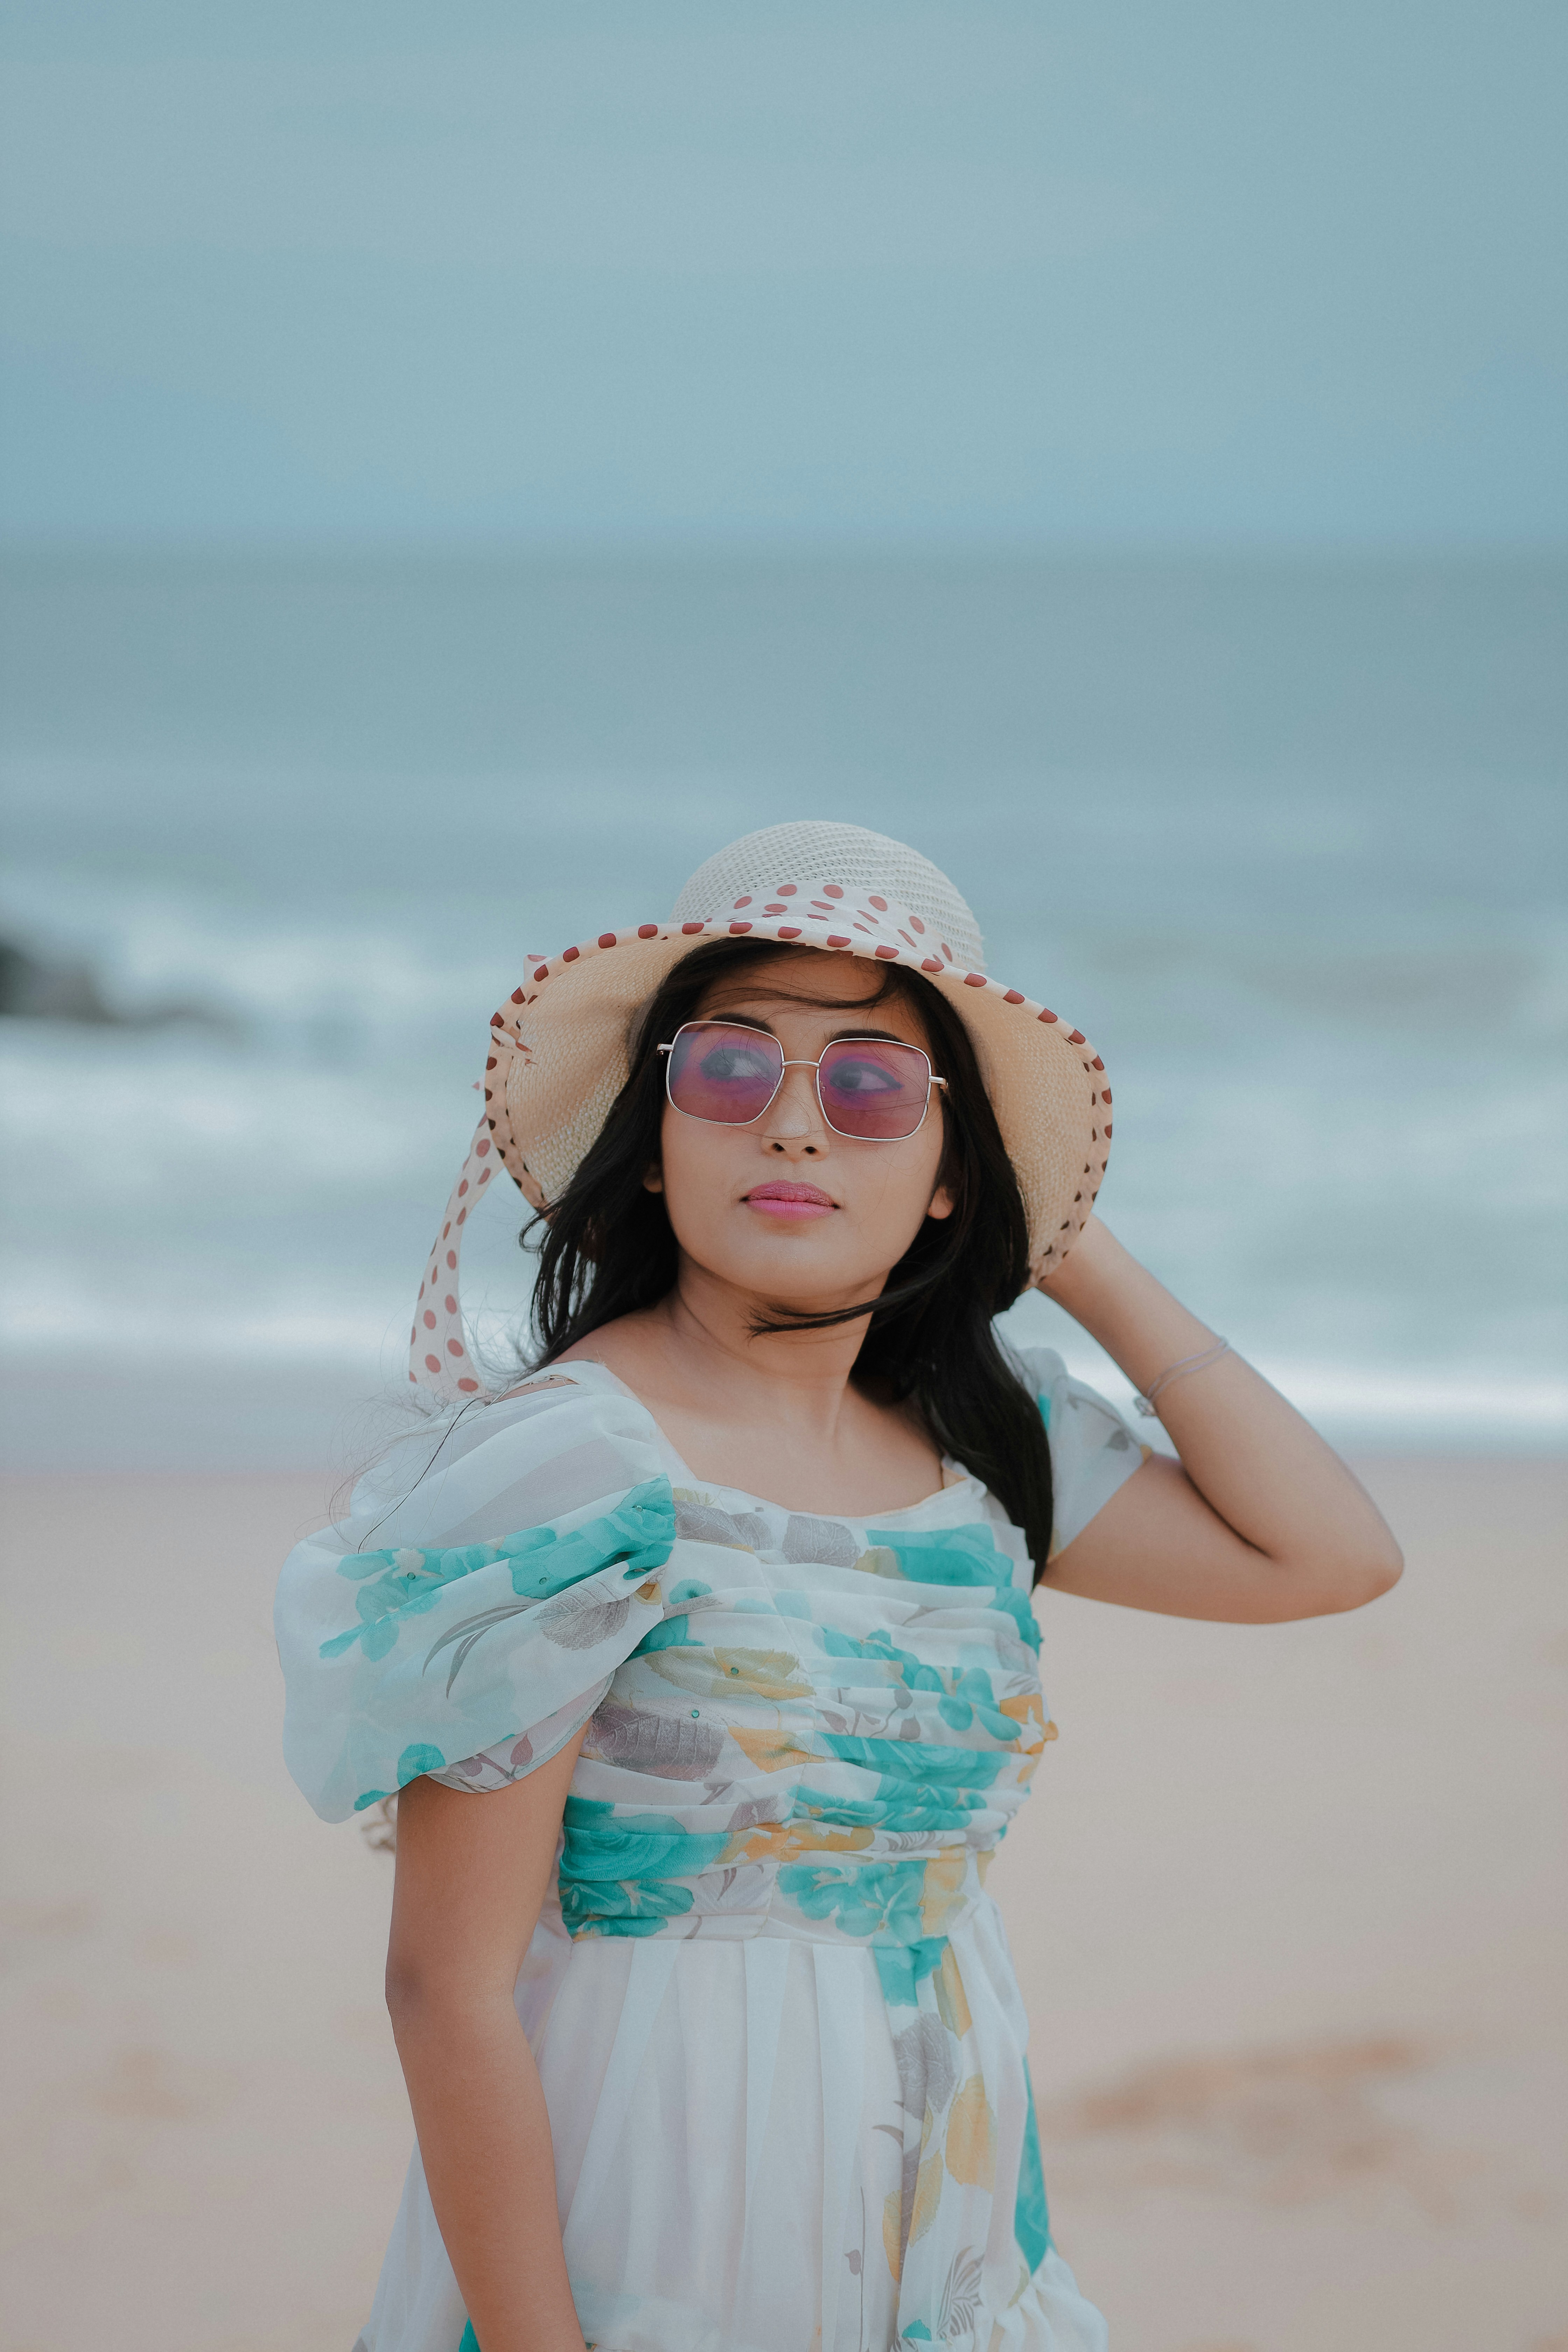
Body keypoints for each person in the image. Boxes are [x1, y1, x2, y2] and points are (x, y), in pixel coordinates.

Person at [276, 821, 1402, 2352]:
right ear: (653, 1130)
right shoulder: (565, 1476)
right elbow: (445, 1986)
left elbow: (1330, 1558)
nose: (794, 1127)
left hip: (945, 2183)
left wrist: (1080, 1254)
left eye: (872, 1086)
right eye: (731, 1071)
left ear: (951, 1172)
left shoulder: (986, 1444)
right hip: (653, 2194)